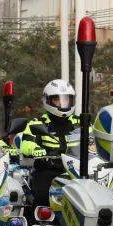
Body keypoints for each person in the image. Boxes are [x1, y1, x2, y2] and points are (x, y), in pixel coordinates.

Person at [20, 79, 80, 209]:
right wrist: (35, 149)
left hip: (77, 171)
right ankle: (42, 224)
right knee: (42, 196)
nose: (62, 103)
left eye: (66, 99)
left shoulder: (81, 123)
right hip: (49, 170)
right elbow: (25, 143)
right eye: (57, 100)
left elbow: (94, 142)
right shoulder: (37, 123)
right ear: (47, 100)